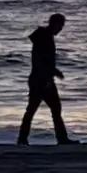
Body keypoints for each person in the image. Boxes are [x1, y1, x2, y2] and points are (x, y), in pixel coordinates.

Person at [18, 9, 71, 147]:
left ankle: (22, 139)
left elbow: (43, 60)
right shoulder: (45, 38)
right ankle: (61, 139)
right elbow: (41, 60)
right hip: (41, 80)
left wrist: (54, 71)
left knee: (35, 109)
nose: (61, 29)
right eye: (60, 26)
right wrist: (48, 78)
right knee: (51, 109)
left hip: (41, 78)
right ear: (54, 24)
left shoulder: (44, 36)